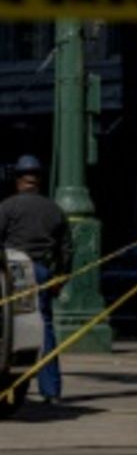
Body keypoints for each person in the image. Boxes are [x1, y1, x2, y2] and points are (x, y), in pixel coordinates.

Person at [0, 155, 71, 404]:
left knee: (9, 327)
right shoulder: (55, 209)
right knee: (46, 328)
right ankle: (51, 391)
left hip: (12, 271)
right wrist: (61, 277)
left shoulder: (7, 207)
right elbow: (66, 248)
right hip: (41, 272)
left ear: (19, 180)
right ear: (38, 180)